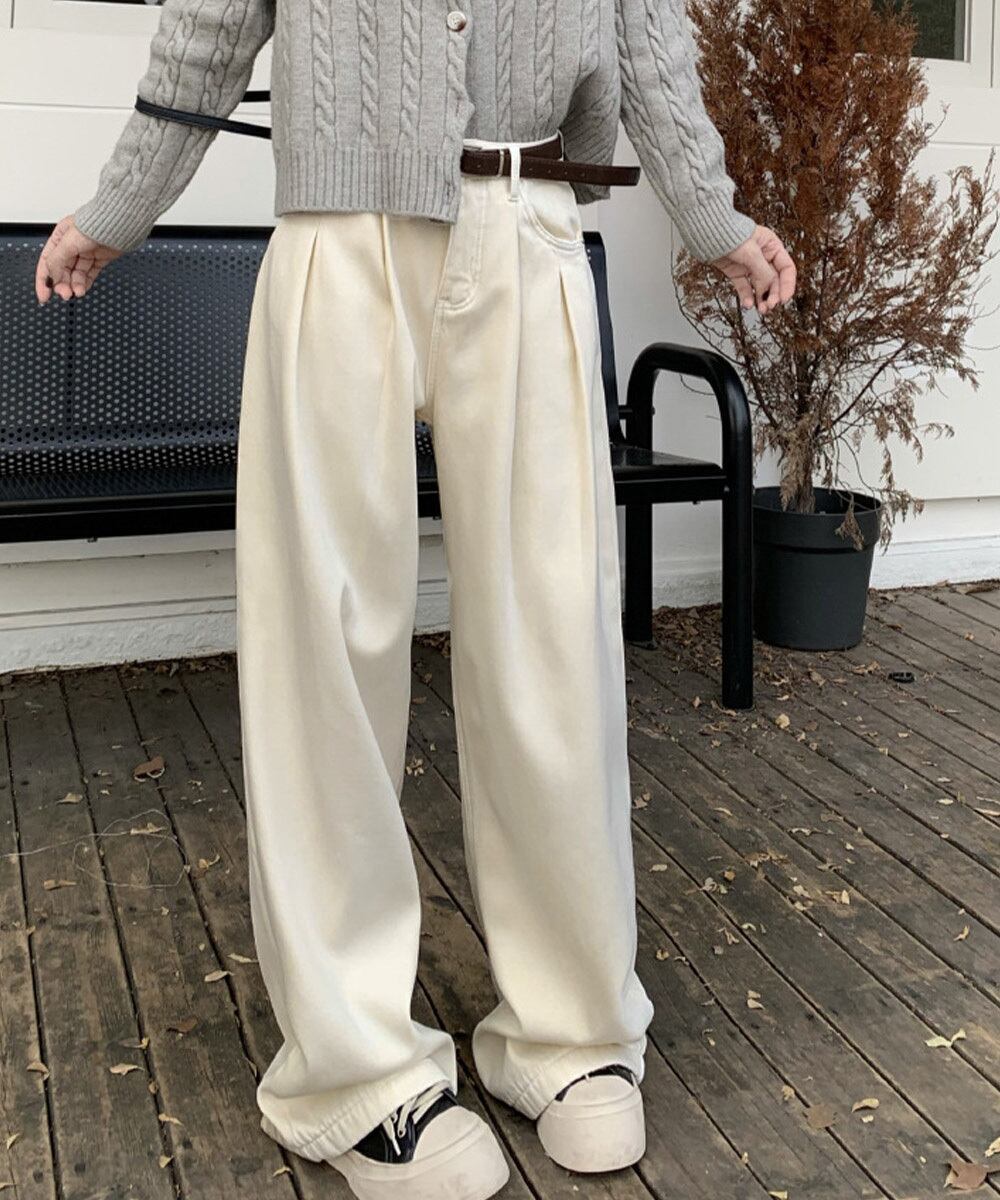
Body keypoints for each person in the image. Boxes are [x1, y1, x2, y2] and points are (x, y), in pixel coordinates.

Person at [36, 3, 796, 1198]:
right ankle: (355, 1068)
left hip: (529, 225)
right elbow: (213, 19)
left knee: (555, 640)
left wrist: (712, 213)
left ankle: (571, 1034)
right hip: (339, 239)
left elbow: (644, 29)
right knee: (325, 646)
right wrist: (122, 202)